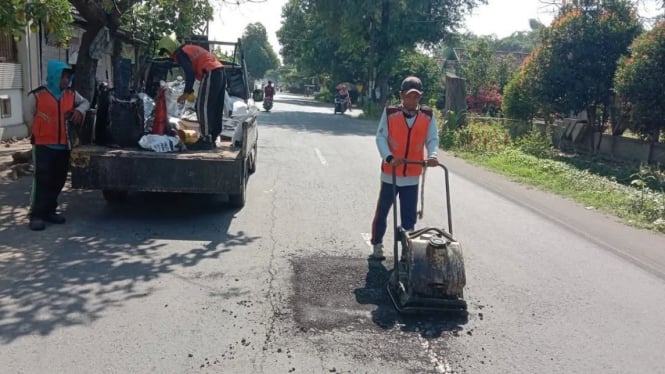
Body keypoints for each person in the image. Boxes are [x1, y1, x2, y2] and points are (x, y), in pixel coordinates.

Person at [369, 76, 439, 260]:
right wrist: (389, 157)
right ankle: (377, 243)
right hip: (390, 174)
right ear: (401, 95)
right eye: (408, 96)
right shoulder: (390, 113)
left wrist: (432, 155)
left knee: (409, 218)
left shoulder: (427, 116)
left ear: (420, 98)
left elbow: (432, 139)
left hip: (412, 176)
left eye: (416, 97)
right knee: (383, 212)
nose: (412, 101)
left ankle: (407, 251)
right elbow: (380, 138)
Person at [25, 60, 89, 231]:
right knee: (42, 180)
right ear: (54, 76)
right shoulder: (37, 95)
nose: (66, 80)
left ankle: (49, 211)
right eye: (63, 77)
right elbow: (29, 117)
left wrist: (80, 111)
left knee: (58, 180)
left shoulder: (71, 94)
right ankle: (36, 215)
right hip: (43, 145)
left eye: (68, 77)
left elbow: (86, 103)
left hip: (63, 146)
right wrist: (38, 131)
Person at [157, 35, 225, 149]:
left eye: (167, 51)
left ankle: (206, 138)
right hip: (219, 70)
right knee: (215, 106)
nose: (168, 55)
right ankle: (213, 136)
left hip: (210, 71)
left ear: (170, 47)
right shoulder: (188, 49)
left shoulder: (181, 53)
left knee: (202, 106)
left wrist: (187, 91)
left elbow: (189, 73)